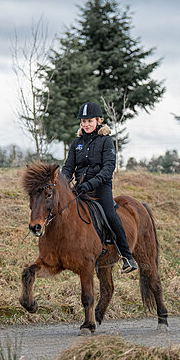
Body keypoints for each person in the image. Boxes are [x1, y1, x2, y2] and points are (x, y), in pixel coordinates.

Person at [61, 101, 138, 274]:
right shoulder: (77, 143)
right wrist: (62, 183)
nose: (86, 124)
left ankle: (126, 256)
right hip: (80, 188)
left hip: (101, 187)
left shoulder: (106, 141)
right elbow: (68, 167)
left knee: (110, 214)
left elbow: (108, 168)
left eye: (89, 121)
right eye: (83, 121)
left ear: (98, 121)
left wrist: (90, 183)